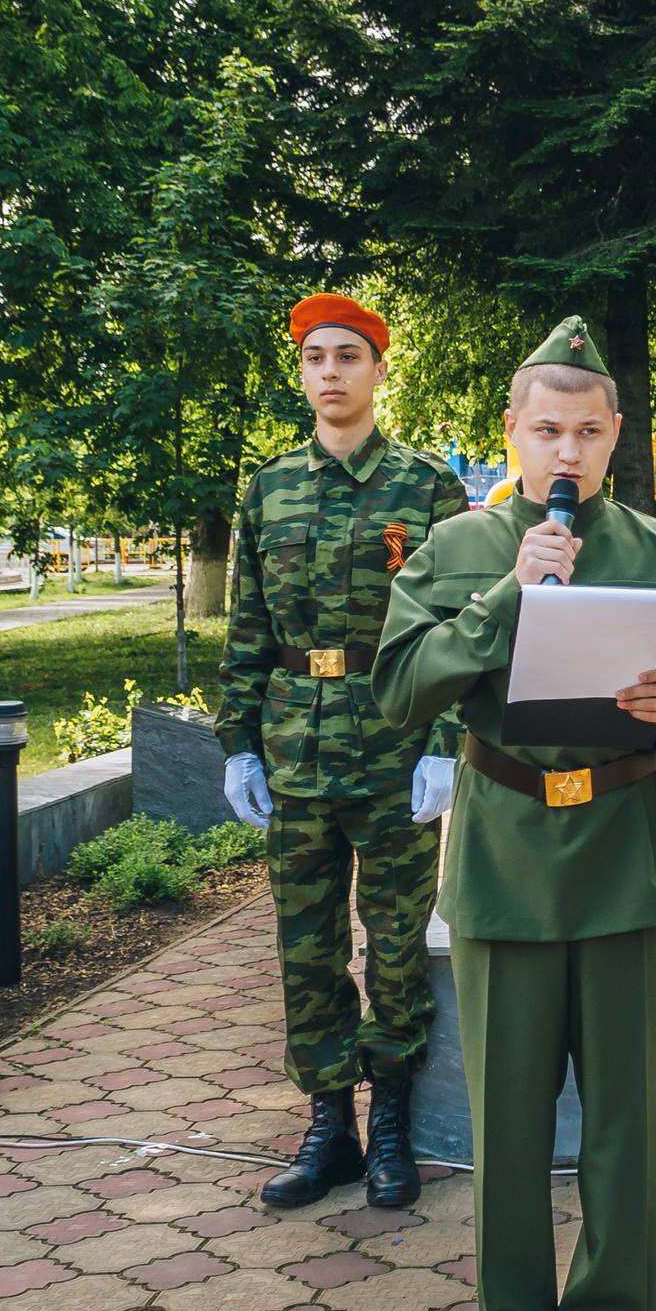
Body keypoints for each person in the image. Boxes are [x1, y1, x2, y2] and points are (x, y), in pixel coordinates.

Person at [376, 316, 656, 1311]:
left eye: (587, 432)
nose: (565, 452)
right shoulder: (456, 548)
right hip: (502, 854)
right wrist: (509, 594)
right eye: (546, 428)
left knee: (621, 1123)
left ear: (615, 437)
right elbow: (399, 689)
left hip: (625, 854)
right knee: (502, 1123)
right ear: (511, 429)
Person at [217, 293, 467, 1213]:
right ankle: (331, 1125)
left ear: (377, 370)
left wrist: (446, 742)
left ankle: (395, 1117)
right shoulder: (269, 486)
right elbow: (245, 627)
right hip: (293, 750)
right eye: (316, 358)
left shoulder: (427, 486)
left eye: (348, 357)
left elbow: (457, 626)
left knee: (398, 945)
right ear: (302, 371)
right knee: (306, 948)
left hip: (395, 742)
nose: (330, 372)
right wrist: (236, 744)